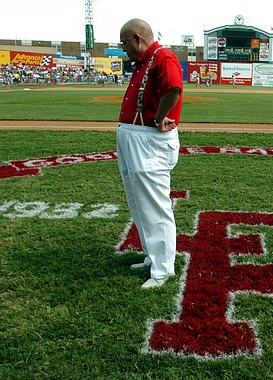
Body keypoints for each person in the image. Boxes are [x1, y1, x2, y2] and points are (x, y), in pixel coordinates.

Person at [117, 18, 183, 289]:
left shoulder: (162, 56)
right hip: (134, 137)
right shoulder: (144, 61)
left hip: (149, 139)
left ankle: (163, 269)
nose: (124, 49)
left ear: (137, 38)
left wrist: (159, 117)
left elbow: (174, 89)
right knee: (138, 202)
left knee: (155, 205)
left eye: (124, 43)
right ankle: (153, 255)